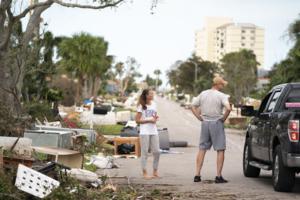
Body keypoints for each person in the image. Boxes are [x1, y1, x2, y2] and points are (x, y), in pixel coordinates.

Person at [191, 76, 232, 184]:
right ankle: (218, 176)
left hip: (205, 123)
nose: (223, 86)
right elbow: (228, 108)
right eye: (222, 84)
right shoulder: (222, 96)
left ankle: (197, 174)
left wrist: (199, 117)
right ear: (218, 84)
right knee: (220, 149)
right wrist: (223, 118)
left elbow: (193, 106)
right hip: (216, 123)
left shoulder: (203, 93)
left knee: (202, 148)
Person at [135, 89, 160, 179]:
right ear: (146, 95)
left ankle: (155, 171)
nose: (153, 95)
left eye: (153, 93)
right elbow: (137, 120)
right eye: (151, 94)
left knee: (157, 151)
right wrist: (149, 120)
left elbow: (154, 115)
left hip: (154, 131)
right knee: (145, 152)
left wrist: (155, 118)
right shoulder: (141, 106)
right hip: (144, 132)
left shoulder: (154, 104)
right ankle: (144, 172)